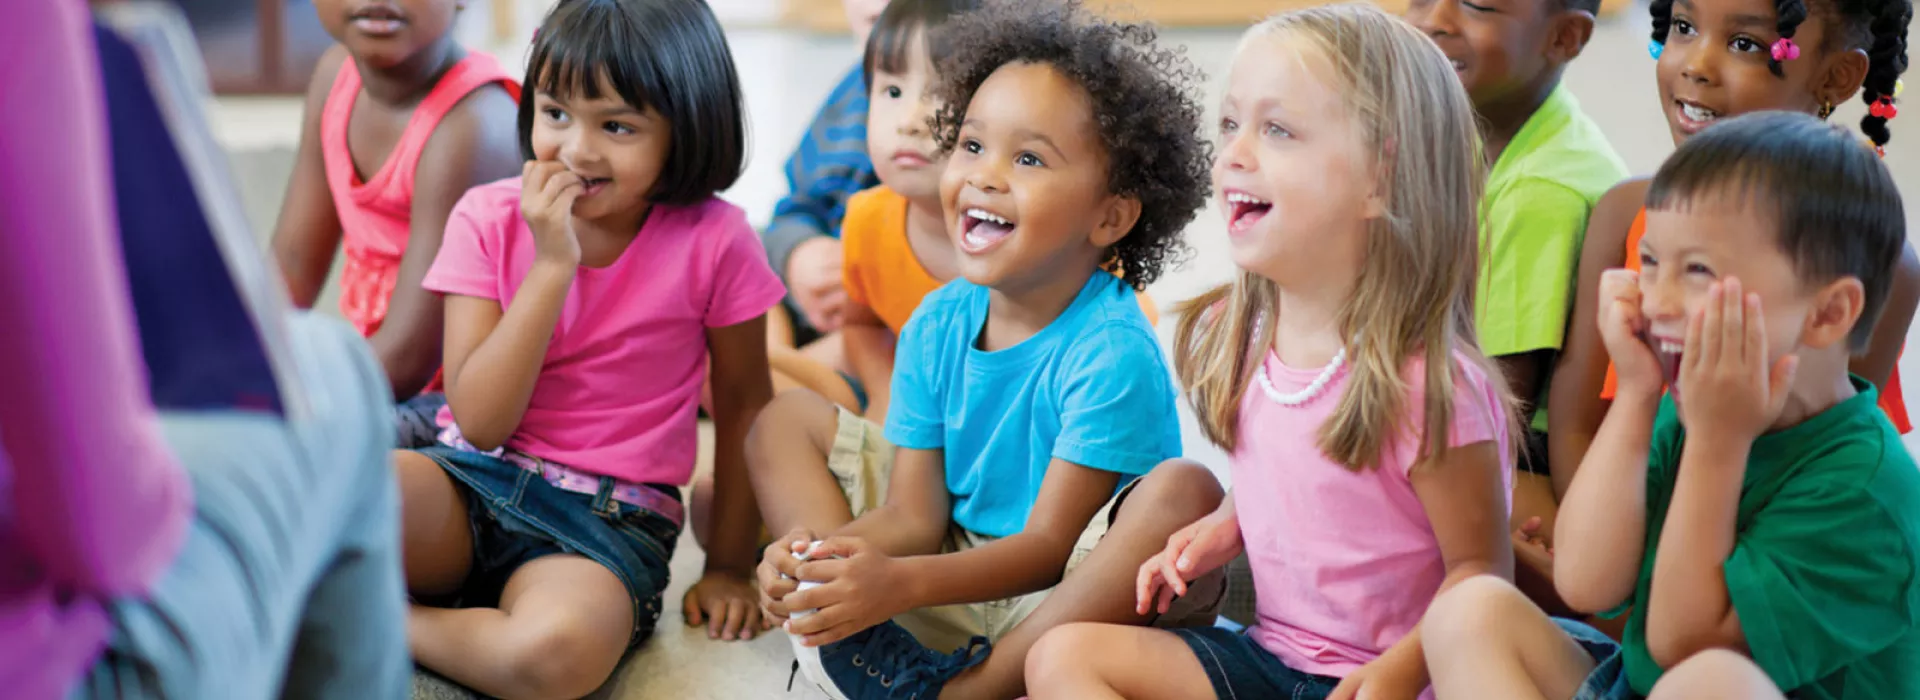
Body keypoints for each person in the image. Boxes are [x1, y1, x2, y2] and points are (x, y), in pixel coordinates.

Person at [1023, 6, 1517, 699]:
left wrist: (1400, 672)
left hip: (1389, 681)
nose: (1234, 153)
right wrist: (1227, 525)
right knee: (1060, 658)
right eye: (1231, 124)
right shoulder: (1243, 335)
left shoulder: (1433, 387)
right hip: (1271, 661)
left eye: (1277, 130)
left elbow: (1482, 577)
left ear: (1380, 177)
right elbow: (1295, 482)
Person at [747, 2, 1218, 698]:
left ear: (1110, 216)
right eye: (971, 145)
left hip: (1061, 600)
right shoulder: (937, 321)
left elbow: (1047, 550)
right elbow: (915, 517)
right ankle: (839, 614)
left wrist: (899, 583)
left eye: (1028, 158)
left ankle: (980, 685)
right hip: (950, 569)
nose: (984, 175)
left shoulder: (1112, 351)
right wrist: (828, 562)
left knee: (1186, 490)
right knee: (783, 419)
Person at [1423, 111, 1920, 700]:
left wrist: (1717, 444)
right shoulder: (1690, 410)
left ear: (1828, 313)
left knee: (1712, 680)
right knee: (1469, 612)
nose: (1657, 301)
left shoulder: (1866, 491)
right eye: (1651, 262)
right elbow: (1586, 583)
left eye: (1699, 270)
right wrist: (1637, 394)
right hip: (1640, 685)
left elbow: (1685, 649)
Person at [3, 3, 406, 697]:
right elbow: (103, 529)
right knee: (342, 378)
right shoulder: (332, 82)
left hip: (453, 424)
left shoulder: (474, 121)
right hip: (41, 662)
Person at [392, 0, 780, 696]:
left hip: (607, 525)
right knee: (340, 496)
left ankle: (387, 622)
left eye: (617, 126)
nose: (576, 150)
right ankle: (445, 620)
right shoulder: (486, 217)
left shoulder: (719, 241)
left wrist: (726, 566)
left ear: (686, 127)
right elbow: (480, 423)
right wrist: (551, 265)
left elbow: (747, 405)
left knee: (555, 656)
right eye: (556, 113)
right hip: (471, 476)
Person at [1544, 0, 1916, 527]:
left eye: (1745, 44)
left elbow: (1816, 464)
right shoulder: (1625, 214)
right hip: (1612, 531)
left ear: (1835, 77)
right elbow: (1575, 428)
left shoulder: (1880, 265)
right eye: (1683, 26)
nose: (1696, 64)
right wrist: (1604, 547)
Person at [1404, 0, 1627, 584]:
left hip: (1533, 462)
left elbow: (1498, 405)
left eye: (1478, 5)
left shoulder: (1541, 190)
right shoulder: (1500, 138)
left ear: (1565, 37)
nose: (1436, 19)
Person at [269, 0, 521, 447]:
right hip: (380, 375)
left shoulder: (472, 124)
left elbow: (408, 360)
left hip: (457, 408)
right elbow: (291, 268)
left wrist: (274, 395)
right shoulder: (335, 77)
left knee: (297, 441)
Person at [764, 0, 894, 398]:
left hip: (886, 324)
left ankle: (766, 386)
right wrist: (798, 253)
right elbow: (794, 209)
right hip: (810, 304)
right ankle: (766, 374)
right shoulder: (849, 92)